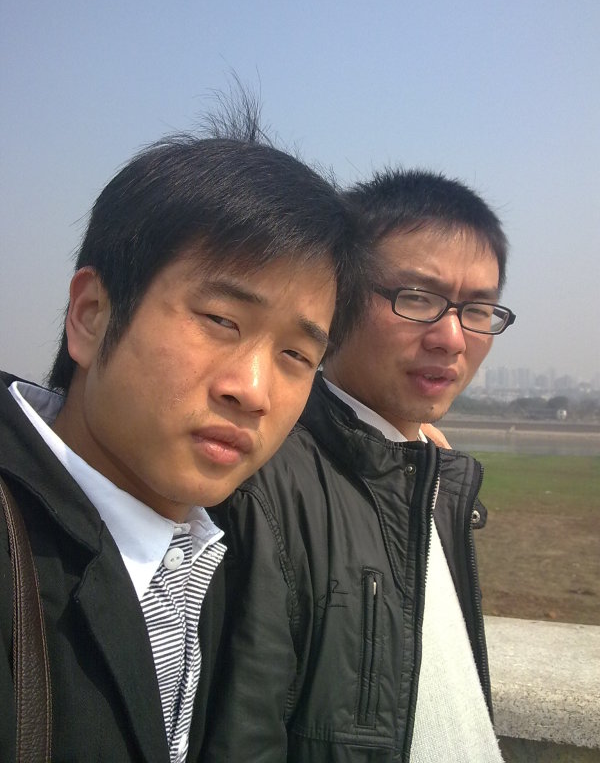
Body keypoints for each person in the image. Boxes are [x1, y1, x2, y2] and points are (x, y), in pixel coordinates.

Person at [0, 133, 369, 762]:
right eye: (221, 321)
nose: (253, 391)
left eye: (296, 355)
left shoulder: (210, 555)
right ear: (91, 315)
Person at [203, 169, 517, 762]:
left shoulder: (430, 480)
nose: (452, 338)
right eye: (418, 298)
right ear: (336, 302)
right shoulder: (263, 483)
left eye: (478, 309)